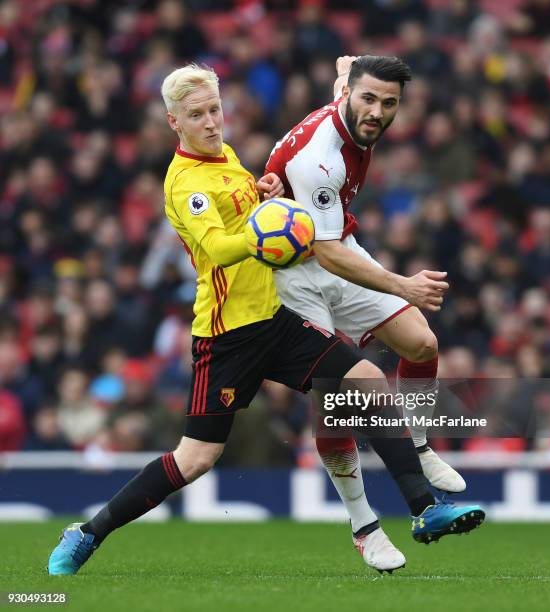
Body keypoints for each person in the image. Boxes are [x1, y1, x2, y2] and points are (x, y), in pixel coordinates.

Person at [48, 63, 483, 576]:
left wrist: (267, 193)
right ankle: (87, 533)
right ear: (174, 122)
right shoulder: (184, 182)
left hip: (275, 320)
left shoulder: (226, 157)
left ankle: (424, 508)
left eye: (215, 110)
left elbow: (250, 206)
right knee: (195, 460)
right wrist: (264, 231)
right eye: (197, 115)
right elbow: (215, 245)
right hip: (227, 337)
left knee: (366, 379)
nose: (211, 122)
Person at [265, 55, 468, 550]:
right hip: (295, 274)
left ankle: (418, 447)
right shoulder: (321, 158)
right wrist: (403, 285)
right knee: (336, 401)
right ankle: (364, 525)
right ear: (350, 96)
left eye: (389, 102)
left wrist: (346, 68)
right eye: (369, 98)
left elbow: (348, 83)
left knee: (421, 344)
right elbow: (325, 253)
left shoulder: (351, 106)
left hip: (337, 247)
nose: (377, 111)